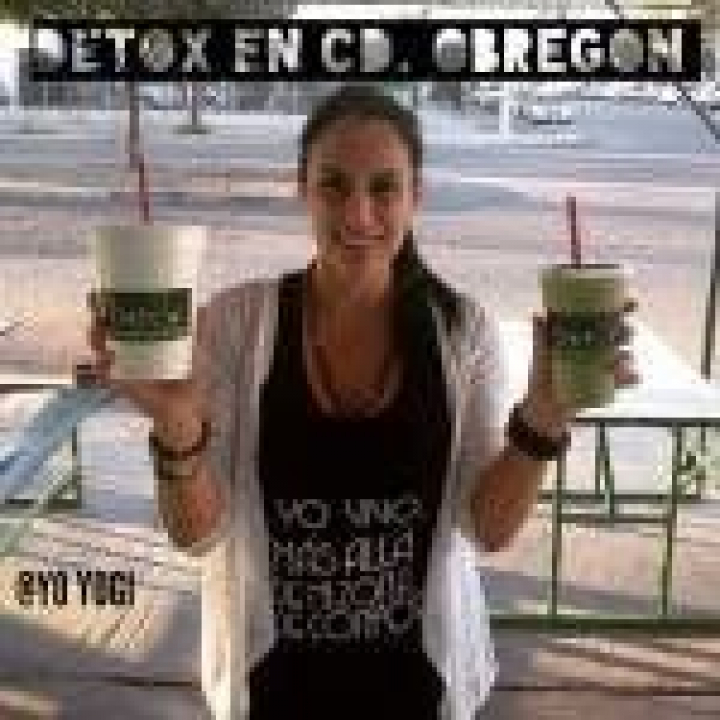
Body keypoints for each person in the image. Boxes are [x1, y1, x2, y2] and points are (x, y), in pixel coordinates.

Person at [88, 84, 638, 720]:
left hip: (418, 687)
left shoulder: (463, 331)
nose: (358, 213)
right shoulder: (236, 324)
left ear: (415, 196)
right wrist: (176, 422)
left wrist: (542, 419)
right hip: (272, 687)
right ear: (302, 189)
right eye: (334, 185)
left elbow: (488, 529)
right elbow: (196, 533)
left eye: (383, 188)